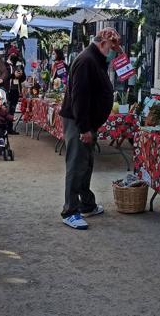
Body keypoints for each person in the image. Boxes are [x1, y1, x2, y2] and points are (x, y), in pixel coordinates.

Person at [58, 27, 120, 230]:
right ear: (103, 43)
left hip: (86, 122)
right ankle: (70, 211)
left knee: (86, 163)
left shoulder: (96, 59)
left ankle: (87, 203)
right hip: (79, 122)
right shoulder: (86, 61)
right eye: (113, 46)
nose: (115, 50)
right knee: (76, 165)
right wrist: (84, 128)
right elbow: (80, 97)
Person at [6, 53, 26, 134]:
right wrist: (13, 75)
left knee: (12, 110)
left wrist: (21, 75)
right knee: (6, 109)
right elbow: (4, 77)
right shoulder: (5, 65)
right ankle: (4, 128)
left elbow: (24, 77)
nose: (14, 55)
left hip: (16, 90)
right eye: (12, 53)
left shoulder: (19, 65)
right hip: (7, 90)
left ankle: (10, 128)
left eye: (15, 54)